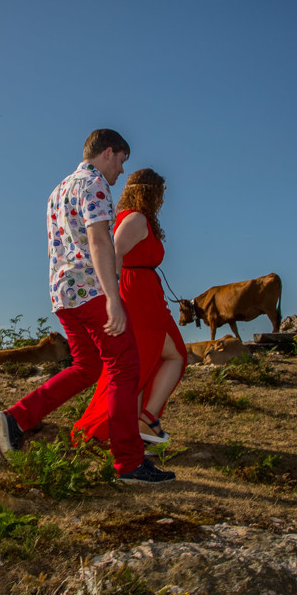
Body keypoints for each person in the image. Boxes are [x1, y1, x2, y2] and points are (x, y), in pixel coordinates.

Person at [0, 129, 175, 484]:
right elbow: (98, 241)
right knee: (125, 369)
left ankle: (17, 417)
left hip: (62, 295)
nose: (122, 171)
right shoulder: (94, 185)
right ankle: (129, 463)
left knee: (87, 366)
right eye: (122, 160)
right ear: (108, 152)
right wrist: (113, 298)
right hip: (91, 292)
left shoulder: (57, 190)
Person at [72, 168, 188, 446]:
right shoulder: (135, 218)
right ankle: (143, 420)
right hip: (136, 296)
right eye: (159, 192)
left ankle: (137, 424)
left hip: (145, 293)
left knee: (148, 361)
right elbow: (114, 252)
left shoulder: (135, 217)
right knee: (171, 356)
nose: (161, 199)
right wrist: (117, 300)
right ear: (150, 192)